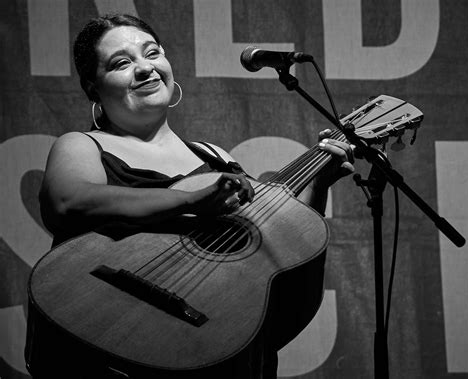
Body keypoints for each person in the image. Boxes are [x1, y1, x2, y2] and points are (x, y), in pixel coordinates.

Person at [32, 14, 355, 379]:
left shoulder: (215, 158)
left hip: (202, 347)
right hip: (101, 340)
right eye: (122, 63)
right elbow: (67, 203)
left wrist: (319, 185)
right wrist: (190, 200)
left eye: (152, 53)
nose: (145, 69)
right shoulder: (82, 144)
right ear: (93, 87)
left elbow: (272, 259)